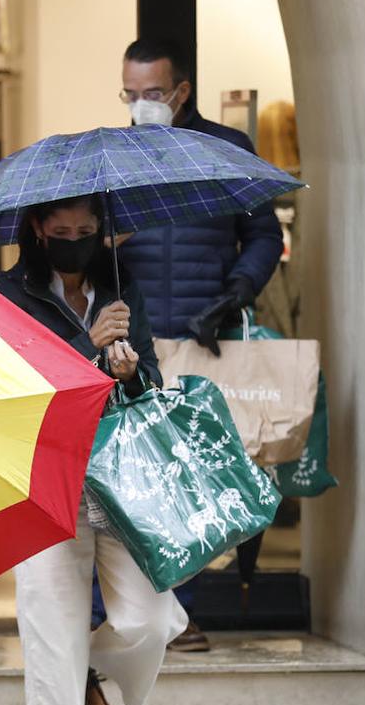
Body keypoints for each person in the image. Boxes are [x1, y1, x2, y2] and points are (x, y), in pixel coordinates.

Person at [0, 193, 187, 705]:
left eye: (86, 231)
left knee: (151, 618)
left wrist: (130, 373)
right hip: (43, 480)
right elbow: (13, 393)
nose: (75, 240)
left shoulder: (119, 286)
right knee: (51, 626)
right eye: (62, 231)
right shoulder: (8, 294)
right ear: (37, 231)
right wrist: (87, 347)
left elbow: (150, 382)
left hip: (120, 479)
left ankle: (87, 674)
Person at [117, 37, 284, 652]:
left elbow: (263, 234)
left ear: (181, 92)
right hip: (131, 339)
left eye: (153, 94)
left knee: (192, 478)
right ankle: (134, 613)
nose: (141, 106)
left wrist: (237, 292)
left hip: (201, 335)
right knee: (132, 478)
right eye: (130, 95)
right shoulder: (115, 159)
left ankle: (182, 613)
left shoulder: (226, 150)